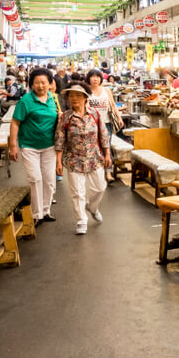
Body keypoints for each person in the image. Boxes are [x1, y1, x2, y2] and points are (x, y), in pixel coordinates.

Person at [55, 84, 110, 235]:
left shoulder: (95, 114)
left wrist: (107, 154)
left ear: (86, 97)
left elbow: (104, 135)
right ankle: (81, 220)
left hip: (94, 157)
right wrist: (58, 161)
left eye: (78, 95)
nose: (74, 99)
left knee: (100, 187)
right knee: (77, 193)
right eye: (71, 96)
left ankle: (92, 207)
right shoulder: (65, 117)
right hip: (74, 159)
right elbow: (59, 140)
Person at [10, 68, 59, 225]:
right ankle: (36, 214)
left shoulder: (53, 99)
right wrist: (13, 146)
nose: (41, 86)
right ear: (31, 84)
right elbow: (15, 123)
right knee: (35, 178)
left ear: (50, 84)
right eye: (37, 83)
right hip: (29, 146)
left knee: (49, 180)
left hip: (49, 146)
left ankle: (46, 210)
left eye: (44, 82)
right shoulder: (26, 101)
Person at [86, 69, 122, 180]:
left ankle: (108, 172)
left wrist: (119, 117)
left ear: (101, 78)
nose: (95, 79)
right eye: (92, 76)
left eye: (97, 76)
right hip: (92, 124)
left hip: (106, 123)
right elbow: (85, 107)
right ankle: (95, 170)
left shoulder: (106, 90)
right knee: (93, 147)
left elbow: (113, 105)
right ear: (89, 78)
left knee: (107, 147)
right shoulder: (86, 91)